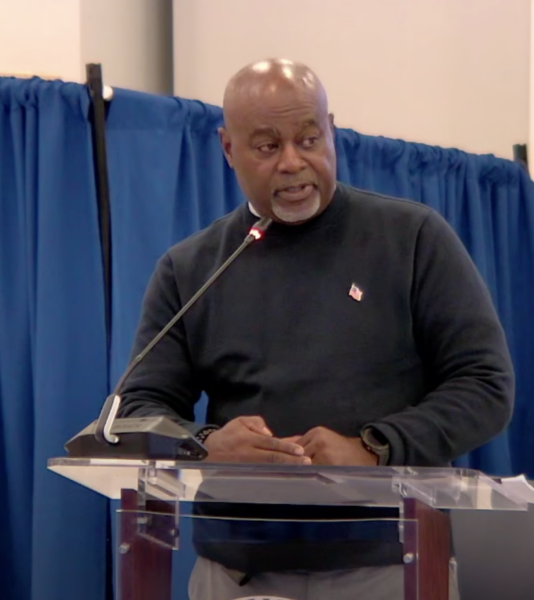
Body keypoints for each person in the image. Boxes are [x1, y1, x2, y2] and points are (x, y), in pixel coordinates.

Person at [119, 58, 514, 600]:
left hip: (389, 565)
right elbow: (139, 409)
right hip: (237, 574)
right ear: (228, 149)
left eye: (309, 138)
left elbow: (485, 386)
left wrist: (375, 447)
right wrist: (204, 446)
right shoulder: (194, 267)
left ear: (332, 130)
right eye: (266, 146)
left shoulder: (414, 239)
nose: (292, 162)